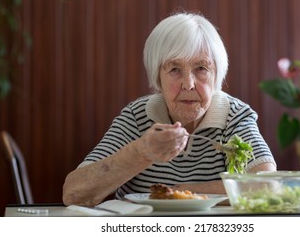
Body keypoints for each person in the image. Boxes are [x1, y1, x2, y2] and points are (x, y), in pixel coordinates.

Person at [62, 12, 276, 206]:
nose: (188, 84)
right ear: (158, 78)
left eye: (201, 68)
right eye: (174, 69)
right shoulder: (137, 117)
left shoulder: (234, 116)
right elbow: (74, 194)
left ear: (217, 74)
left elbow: (267, 187)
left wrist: (171, 194)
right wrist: (141, 153)